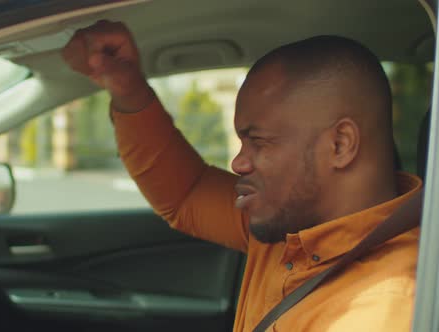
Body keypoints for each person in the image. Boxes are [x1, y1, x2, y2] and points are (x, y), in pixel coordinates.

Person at [63, 20, 422, 331]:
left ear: (340, 145)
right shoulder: (291, 226)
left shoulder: (381, 308)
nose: (238, 163)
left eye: (259, 142)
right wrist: (127, 89)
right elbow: (186, 193)